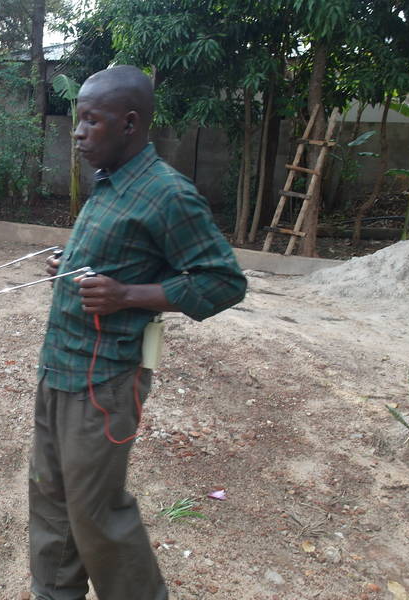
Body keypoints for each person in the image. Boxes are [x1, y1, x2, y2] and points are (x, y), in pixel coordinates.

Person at [29, 65, 247, 600]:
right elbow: (118, 259)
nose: (77, 132)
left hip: (102, 383)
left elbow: (223, 282)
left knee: (97, 514)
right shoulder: (109, 185)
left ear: (129, 124)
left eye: (90, 121)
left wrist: (128, 296)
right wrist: (71, 263)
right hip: (60, 368)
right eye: (76, 120)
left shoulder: (166, 193)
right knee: (52, 502)